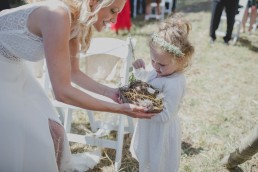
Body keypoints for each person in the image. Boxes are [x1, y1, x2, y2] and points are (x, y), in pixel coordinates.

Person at [0, 0, 154, 171]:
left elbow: (74, 73)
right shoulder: (57, 15)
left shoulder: (75, 22)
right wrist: (119, 109)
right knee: (30, 136)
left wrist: (111, 92)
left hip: (15, 69)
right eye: (112, 10)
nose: (114, 20)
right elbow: (62, 91)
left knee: (55, 131)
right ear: (95, 2)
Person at [130, 15, 194, 172]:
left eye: (162, 64)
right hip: (149, 126)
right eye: (153, 61)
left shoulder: (174, 83)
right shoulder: (158, 71)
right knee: (147, 157)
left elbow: (166, 115)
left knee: (160, 161)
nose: (156, 67)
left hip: (161, 131)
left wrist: (143, 103)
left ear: (180, 61)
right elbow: (147, 78)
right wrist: (139, 70)